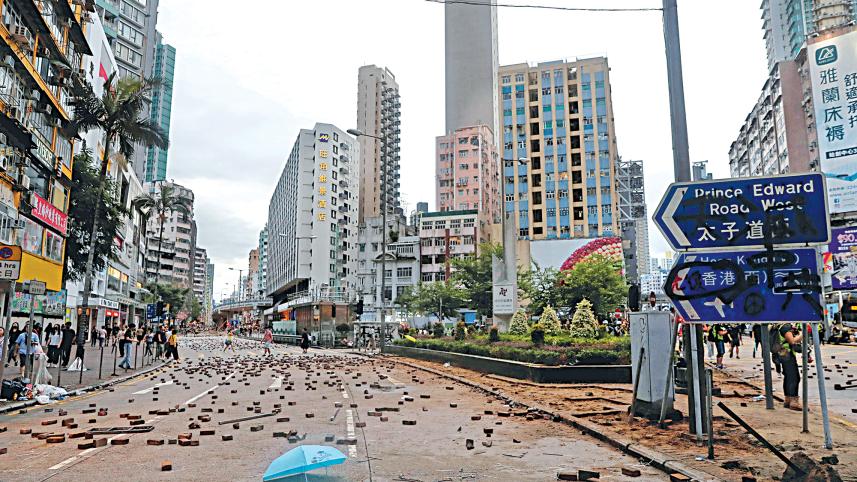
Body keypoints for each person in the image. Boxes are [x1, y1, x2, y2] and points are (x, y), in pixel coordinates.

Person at [775, 323, 803, 411]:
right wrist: (803, 334)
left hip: (782, 353)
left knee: (788, 377)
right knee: (794, 377)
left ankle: (787, 400)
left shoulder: (779, 326)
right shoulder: (785, 327)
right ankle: (794, 402)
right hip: (787, 355)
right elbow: (792, 341)